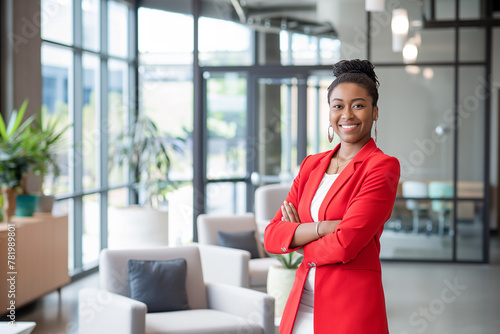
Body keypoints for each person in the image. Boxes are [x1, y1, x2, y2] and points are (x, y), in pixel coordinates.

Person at [264, 59, 400, 334]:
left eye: (358, 105)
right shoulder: (311, 165)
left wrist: (299, 238)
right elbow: (271, 236)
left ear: (375, 112)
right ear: (329, 112)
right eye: (338, 106)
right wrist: (323, 228)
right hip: (300, 305)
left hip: (349, 309)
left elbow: (346, 244)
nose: (347, 115)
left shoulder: (382, 166)